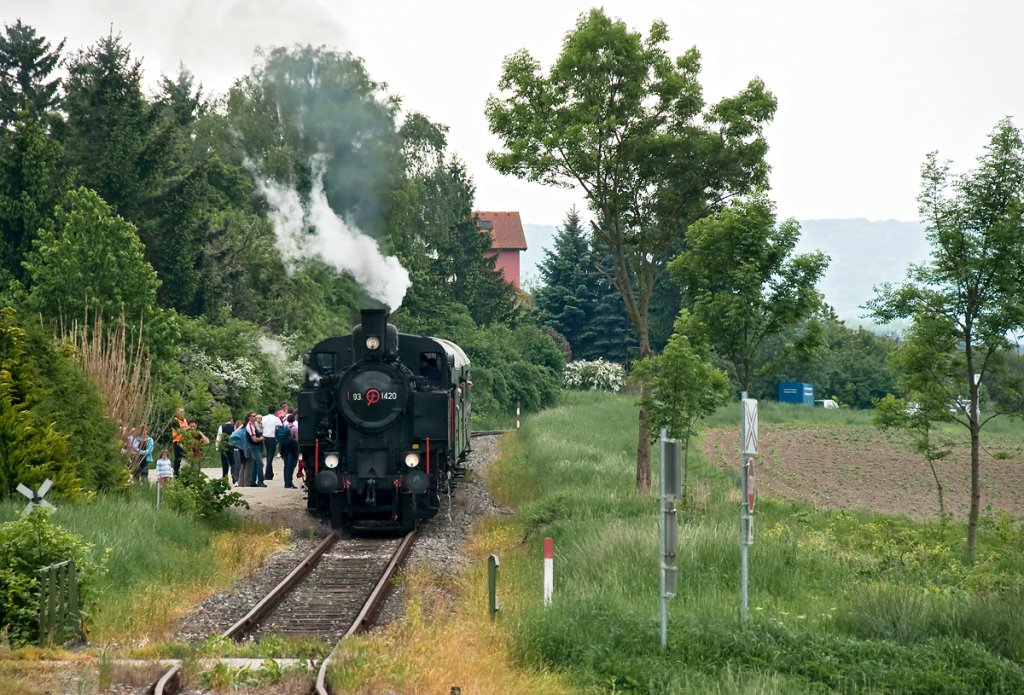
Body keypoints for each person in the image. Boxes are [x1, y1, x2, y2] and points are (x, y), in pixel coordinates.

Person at [261, 406, 282, 481]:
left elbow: (261, 426)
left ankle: (270, 473)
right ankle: (268, 474)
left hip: (265, 437)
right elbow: (280, 426)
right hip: (272, 437)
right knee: (270, 456)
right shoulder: (276, 419)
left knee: (268, 454)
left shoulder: (264, 418)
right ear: (274, 411)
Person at [227, 418, 249, 486]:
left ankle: (239, 480)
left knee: (240, 465)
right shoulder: (236, 433)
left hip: (241, 450)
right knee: (236, 465)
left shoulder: (242, 432)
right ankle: (235, 479)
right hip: (236, 450)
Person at [247, 412, 266, 487]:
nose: (255, 417)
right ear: (249, 417)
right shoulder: (250, 426)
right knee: (260, 463)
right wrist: (261, 439)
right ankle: (260, 481)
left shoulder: (254, 425)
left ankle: (252, 480)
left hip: (256, 446)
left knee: (255, 464)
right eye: (253, 416)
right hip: (254, 446)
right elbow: (254, 439)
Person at [281, 413, 300, 489]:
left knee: (286, 465)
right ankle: (289, 483)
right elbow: (297, 439)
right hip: (292, 447)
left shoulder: (285, 427)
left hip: (284, 447)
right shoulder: (295, 428)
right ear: (294, 420)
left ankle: (286, 482)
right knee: (291, 465)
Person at [170, 407, 188, 477]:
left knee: (187, 456)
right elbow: (178, 430)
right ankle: (176, 472)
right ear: (177, 412)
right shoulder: (175, 420)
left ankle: (186, 472)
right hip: (177, 441)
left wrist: (183, 427)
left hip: (185, 441)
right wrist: (185, 427)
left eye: (183, 411)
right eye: (181, 412)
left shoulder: (185, 420)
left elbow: (187, 428)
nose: (182, 413)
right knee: (178, 457)